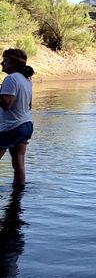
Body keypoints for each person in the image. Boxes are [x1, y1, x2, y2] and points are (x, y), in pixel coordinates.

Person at [0, 49, 34, 188]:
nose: (2, 63)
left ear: (13, 62)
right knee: (18, 161)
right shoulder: (26, 79)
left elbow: (6, 104)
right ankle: (18, 195)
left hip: (12, 127)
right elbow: (30, 105)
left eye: (5, 60)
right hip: (26, 125)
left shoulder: (11, 79)